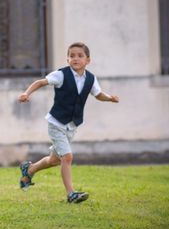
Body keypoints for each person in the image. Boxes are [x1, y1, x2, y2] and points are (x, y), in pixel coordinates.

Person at [17, 42, 119, 203]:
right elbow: (40, 82)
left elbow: (98, 94)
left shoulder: (91, 79)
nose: (75, 59)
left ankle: (29, 169)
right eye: (72, 56)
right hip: (56, 123)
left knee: (54, 160)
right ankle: (71, 194)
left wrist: (110, 98)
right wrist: (26, 93)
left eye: (80, 56)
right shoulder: (61, 75)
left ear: (88, 60)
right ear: (67, 59)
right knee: (67, 157)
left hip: (72, 125)